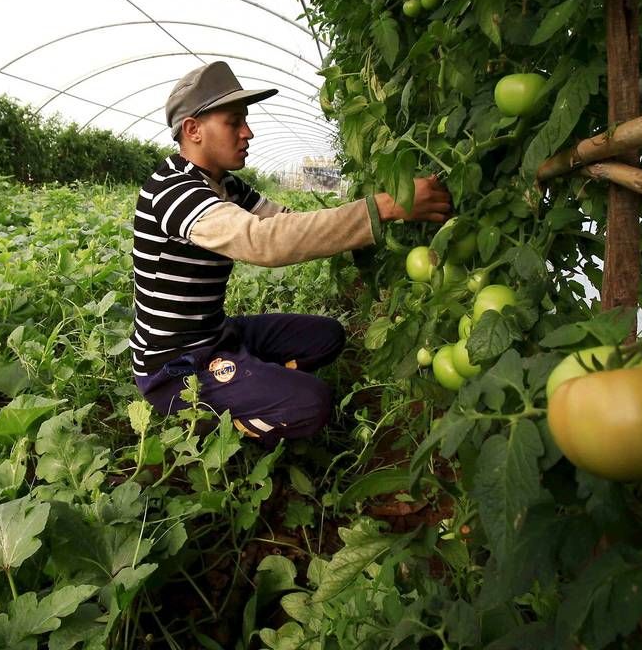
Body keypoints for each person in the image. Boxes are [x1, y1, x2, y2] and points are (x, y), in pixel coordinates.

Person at [131, 61, 451, 445]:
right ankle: (218, 415)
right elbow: (264, 240)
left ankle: (245, 375)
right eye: (234, 122)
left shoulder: (227, 185)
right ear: (193, 130)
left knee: (326, 336)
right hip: (174, 367)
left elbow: (289, 221)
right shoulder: (172, 190)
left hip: (218, 335)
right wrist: (383, 207)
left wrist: (372, 218)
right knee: (312, 403)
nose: (247, 132)